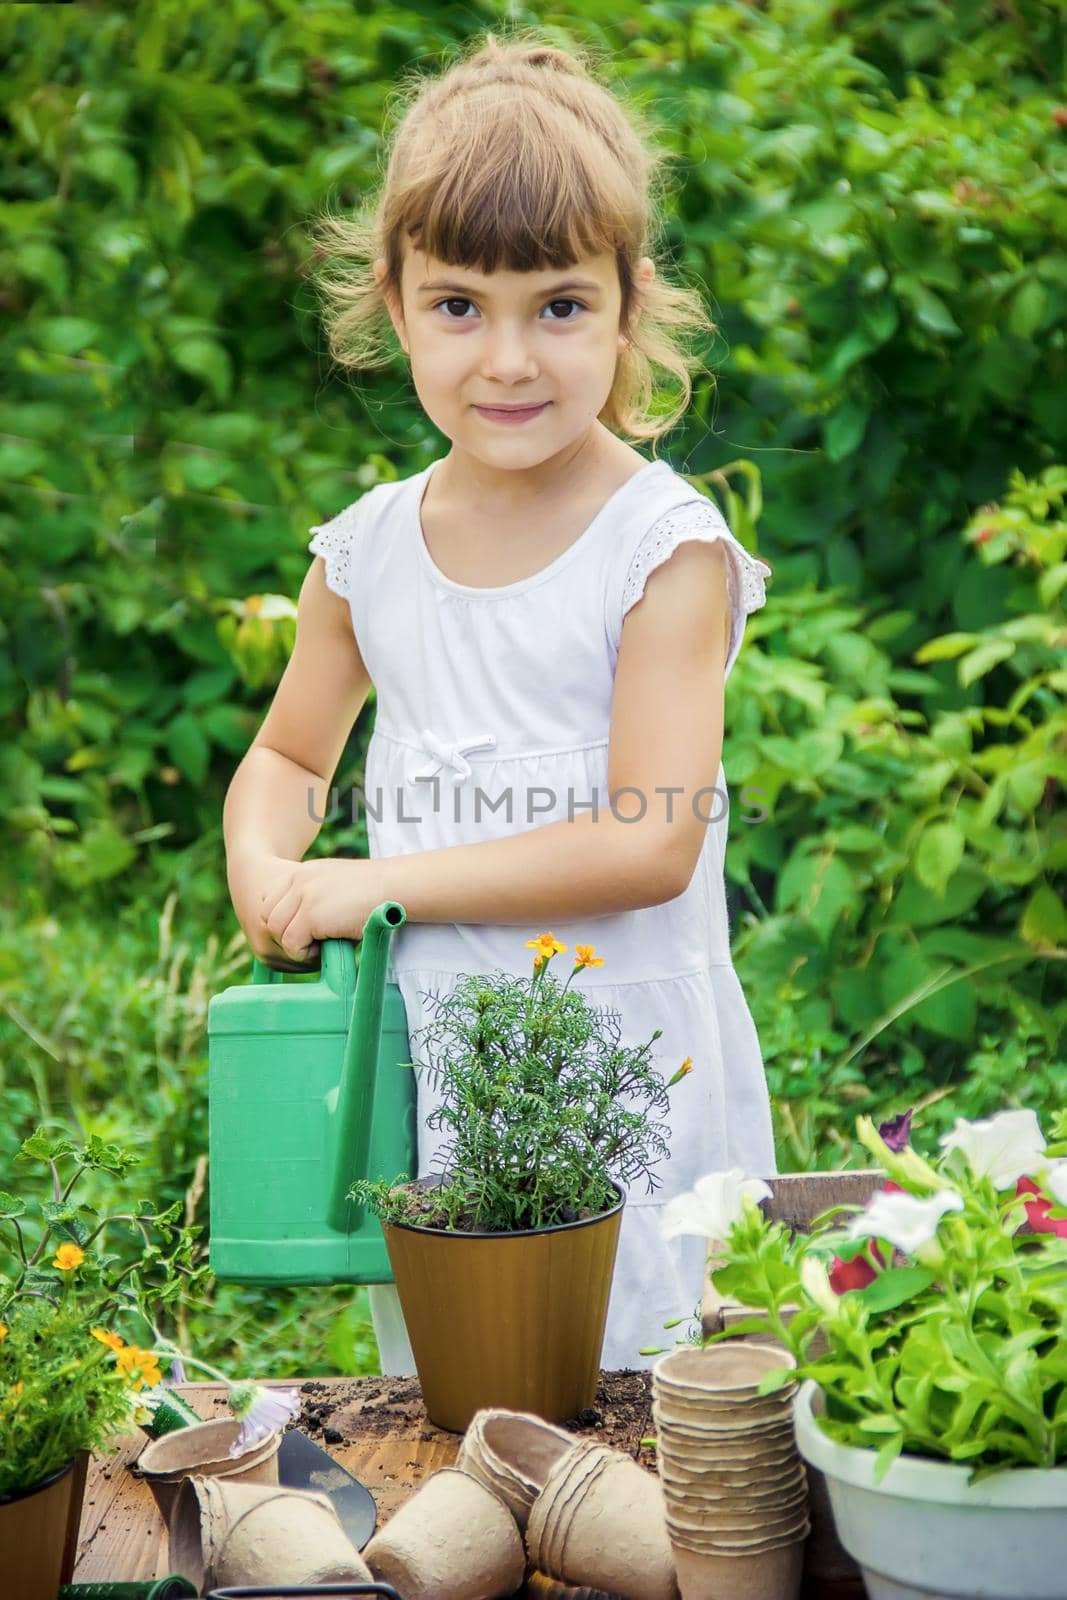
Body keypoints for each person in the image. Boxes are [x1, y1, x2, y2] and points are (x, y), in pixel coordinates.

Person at [223, 30, 778, 1376]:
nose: (510, 360)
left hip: (633, 1060)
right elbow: (294, 750)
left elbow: (650, 841)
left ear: (632, 304)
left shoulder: (662, 548)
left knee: (652, 1394)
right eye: (461, 305)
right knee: (465, 1398)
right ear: (395, 305)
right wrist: (264, 856)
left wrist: (378, 886)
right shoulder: (366, 553)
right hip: (447, 1059)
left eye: (561, 307)